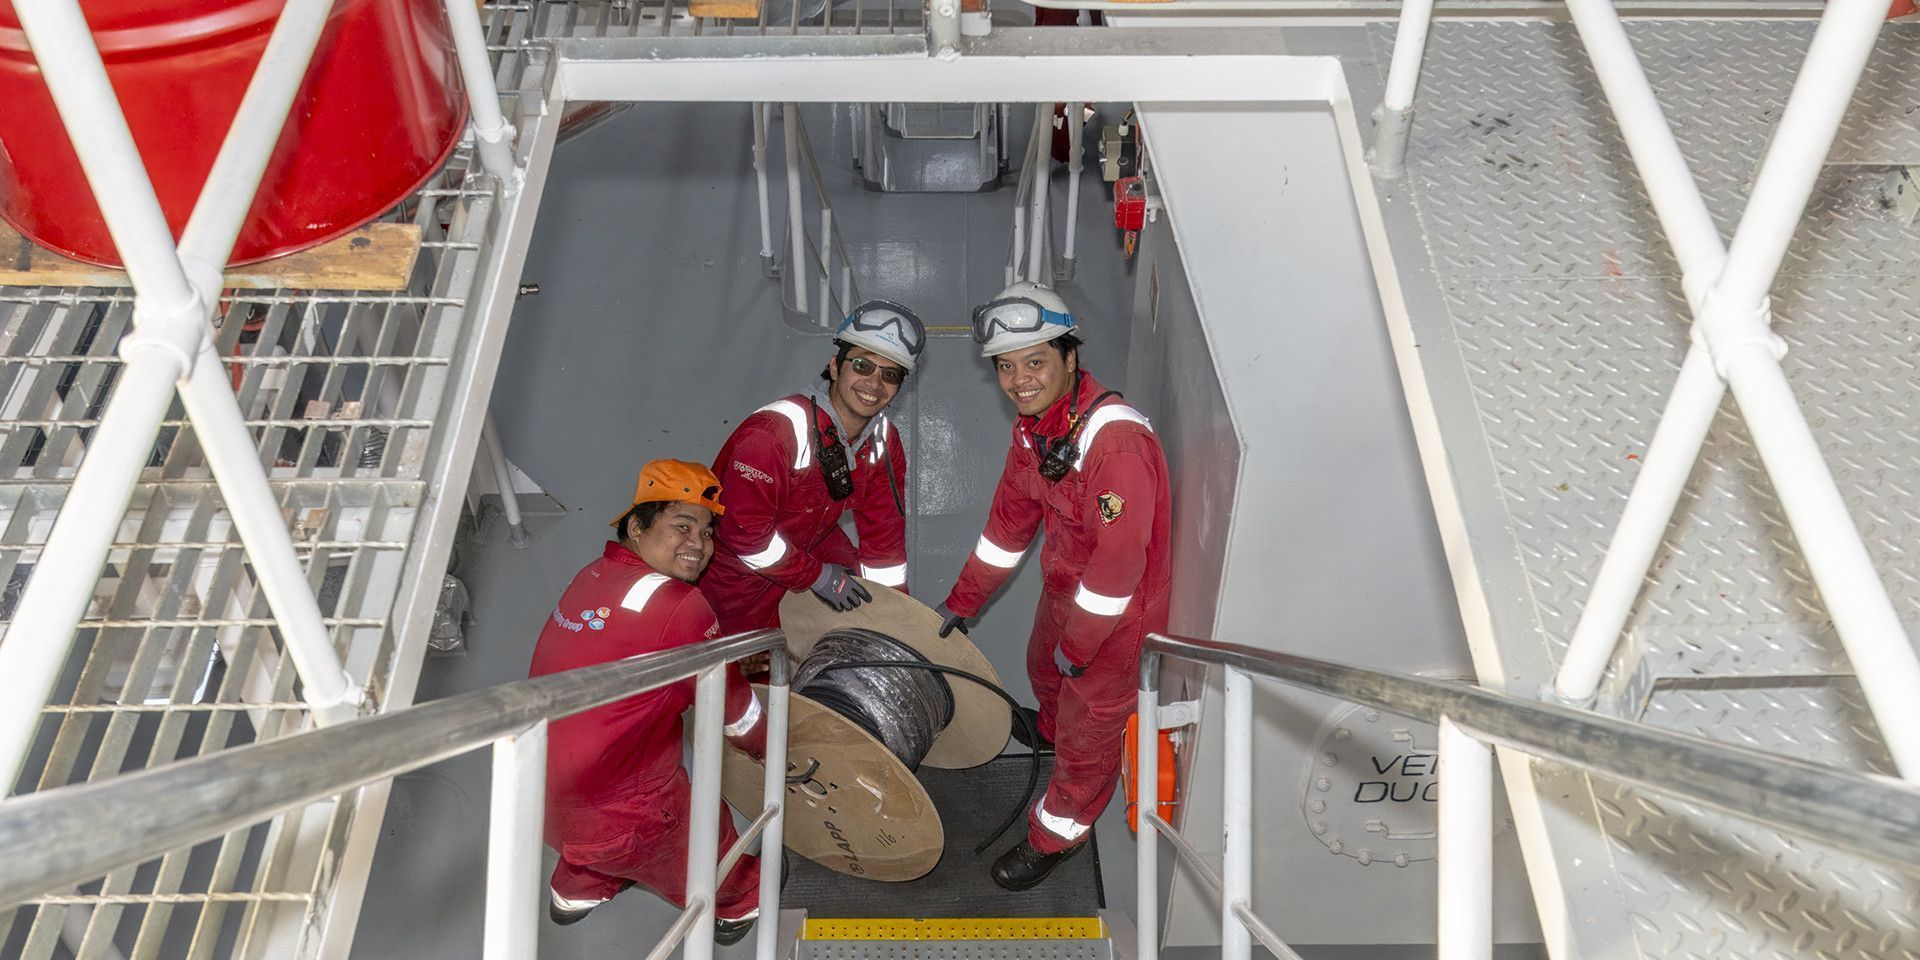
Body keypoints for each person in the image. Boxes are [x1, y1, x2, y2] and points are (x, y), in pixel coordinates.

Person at [935, 281, 1172, 891]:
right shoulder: (1035, 430)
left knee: (1087, 739)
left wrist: (1085, 644)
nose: (1019, 381)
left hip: (1115, 621)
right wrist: (962, 603)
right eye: (1006, 367)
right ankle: (1048, 726)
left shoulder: (1115, 444)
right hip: (1066, 592)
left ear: (1071, 359)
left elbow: (1118, 570)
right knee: (1042, 667)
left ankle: (1055, 838)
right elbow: (1008, 527)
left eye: (1035, 361)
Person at [529, 459, 769, 942]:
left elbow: (634, 650)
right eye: (682, 526)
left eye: (706, 533)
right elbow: (738, 717)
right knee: (701, 831)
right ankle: (739, 900)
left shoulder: (594, 575)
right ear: (636, 525)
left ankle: (579, 887)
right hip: (625, 815)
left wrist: (718, 660)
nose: (698, 545)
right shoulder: (680, 605)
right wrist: (777, 746)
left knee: (593, 842)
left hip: (543, 802)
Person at [702, 300, 924, 634]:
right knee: (743, 672)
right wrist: (816, 576)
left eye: (889, 375)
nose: (874, 384)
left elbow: (885, 546)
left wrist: (892, 619)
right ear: (835, 367)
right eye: (862, 365)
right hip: (733, 576)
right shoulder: (774, 433)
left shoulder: (882, 442)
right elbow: (744, 536)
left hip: (804, 551)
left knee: (862, 597)